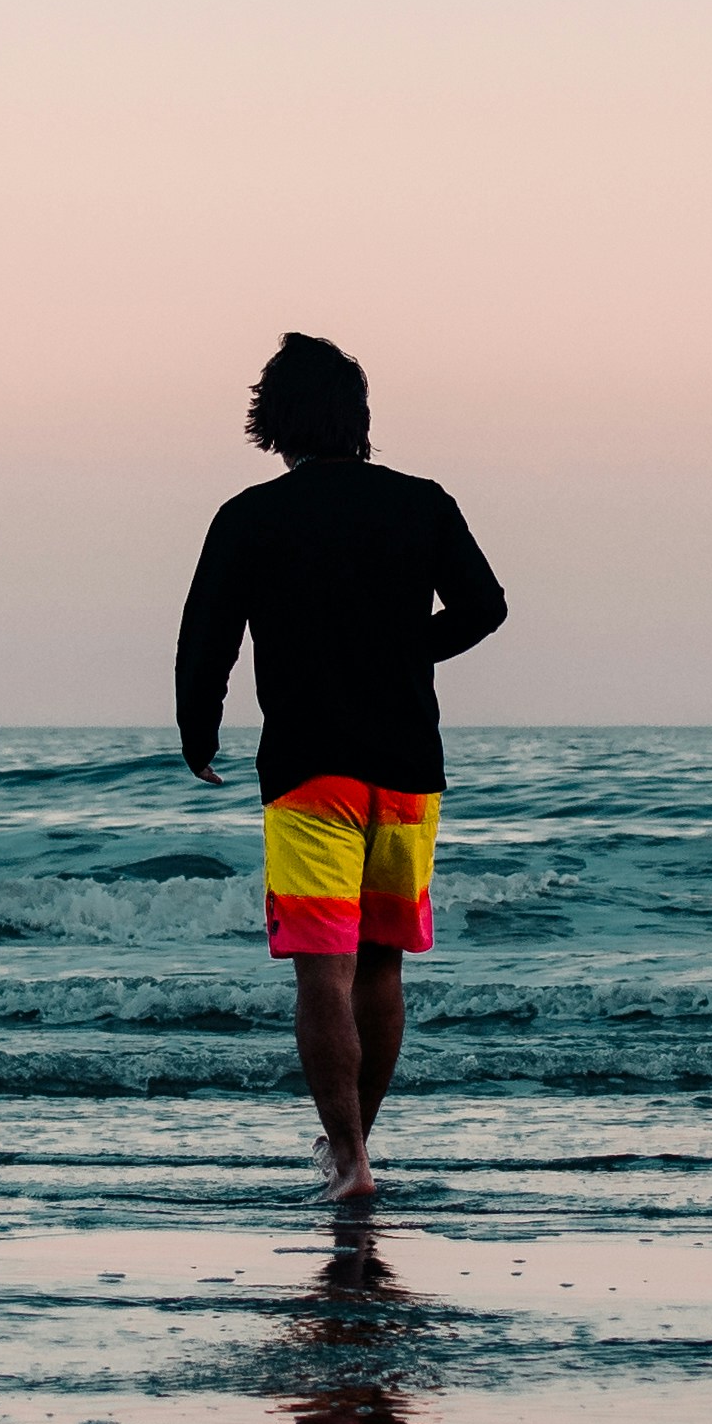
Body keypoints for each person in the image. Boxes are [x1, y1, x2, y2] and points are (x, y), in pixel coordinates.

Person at [174, 333, 509, 1202]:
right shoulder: (421, 503)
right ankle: (361, 1149)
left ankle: (349, 1157)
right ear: (359, 420)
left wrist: (198, 729)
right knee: (383, 966)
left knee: (322, 969)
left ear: (276, 422)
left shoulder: (249, 516)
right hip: (405, 770)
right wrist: (406, 653)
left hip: (307, 769)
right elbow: (487, 605)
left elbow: (207, 633)